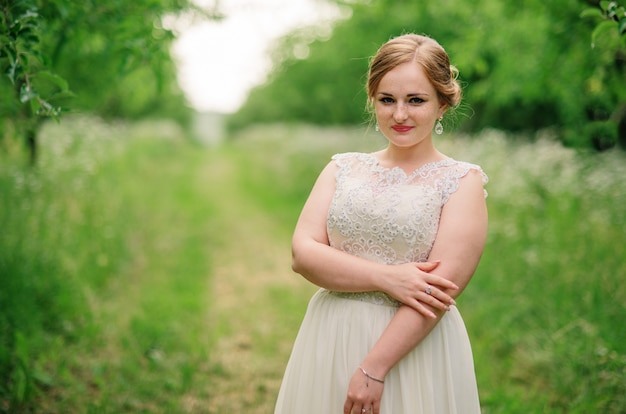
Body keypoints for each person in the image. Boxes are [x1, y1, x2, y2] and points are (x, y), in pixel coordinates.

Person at [274, 33, 488, 414]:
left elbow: (436, 295)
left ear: (442, 103)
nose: (400, 114)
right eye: (387, 100)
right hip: (331, 334)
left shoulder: (461, 182)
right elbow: (302, 253)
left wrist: (374, 368)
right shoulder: (343, 167)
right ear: (373, 100)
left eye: (416, 100)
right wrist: (387, 277)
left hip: (412, 348)